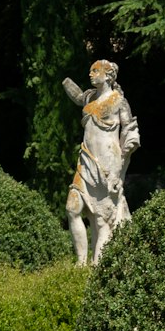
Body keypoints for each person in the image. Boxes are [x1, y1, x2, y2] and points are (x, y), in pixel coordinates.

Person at [63, 60, 140, 266]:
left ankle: (97, 272)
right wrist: (65, 81)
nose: (91, 74)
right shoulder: (90, 97)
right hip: (86, 160)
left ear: (108, 75)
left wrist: (119, 171)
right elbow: (79, 97)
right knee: (72, 208)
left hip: (108, 163)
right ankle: (80, 265)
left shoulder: (118, 101)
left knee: (103, 220)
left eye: (95, 71)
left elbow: (129, 132)